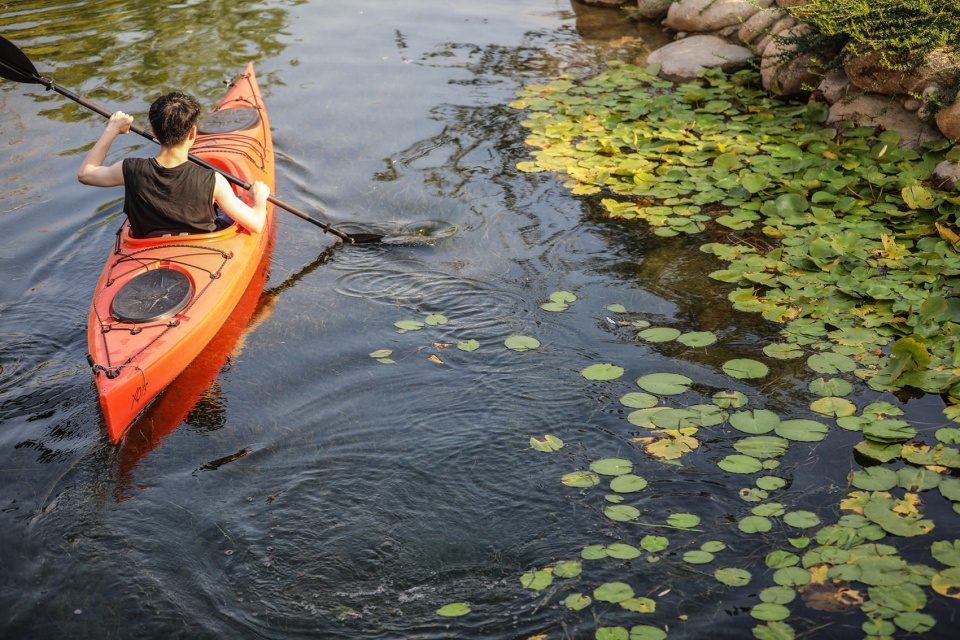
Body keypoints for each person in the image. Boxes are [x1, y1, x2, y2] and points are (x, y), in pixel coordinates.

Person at [77, 92, 270, 238]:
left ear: (154, 131)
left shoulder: (129, 169)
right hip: (201, 245)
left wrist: (112, 129)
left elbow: (86, 174)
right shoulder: (213, 180)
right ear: (193, 133)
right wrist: (259, 198)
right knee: (231, 201)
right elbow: (255, 224)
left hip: (146, 246)